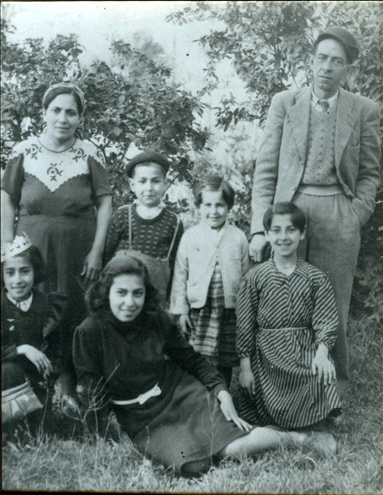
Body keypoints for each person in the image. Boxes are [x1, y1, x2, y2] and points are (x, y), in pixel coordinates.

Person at [73, 254, 311, 478]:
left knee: (232, 449)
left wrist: (221, 390)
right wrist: (99, 435)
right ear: (106, 293)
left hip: (181, 394)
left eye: (138, 293)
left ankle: (297, 439)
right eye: (121, 293)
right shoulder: (90, 331)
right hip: (142, 418)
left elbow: (192, 359)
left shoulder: (155, 318)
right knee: (194, 466)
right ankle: (269, 433)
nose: (130, 302)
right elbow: (91, 390)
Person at [249, 27, 381, 397]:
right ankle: (282, 390)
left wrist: (356, 214)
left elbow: (371, 172)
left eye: (336, 61)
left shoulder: (364, 110)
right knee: (283, 300)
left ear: (347, 70)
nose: (327, 67)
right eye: (321, 58)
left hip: (339, 213)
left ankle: (331, 393)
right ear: (310, 61)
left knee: (332, 304)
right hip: (289, 213)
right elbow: (266, 169)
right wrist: (261, 228)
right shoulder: (285, 102)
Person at [1, 82, 113, 399]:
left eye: (71, 112)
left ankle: (72, 390)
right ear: (44, 113)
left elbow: (104, 202)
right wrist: (8, 247)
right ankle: (32, 390)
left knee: (76, 312)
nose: (63, 118)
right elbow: (7, 199)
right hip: (31, 249)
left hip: (79, 249)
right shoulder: (23, 151)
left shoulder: (89, 152)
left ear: (80, 118)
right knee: (33, 312)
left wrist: (96, 251)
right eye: (56, 110)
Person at [237, 203, 341, 451]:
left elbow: (326, 319)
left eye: (291, 230)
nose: (283, 237)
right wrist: (244, 366)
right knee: (264, 393)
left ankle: (312, 427)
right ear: (267, 234)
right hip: (267, 355)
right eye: (276, 230)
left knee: (317, 373)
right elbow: (244, 323)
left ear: (302, 234)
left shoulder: (315, 277)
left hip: (304, 349)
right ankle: (279, 430)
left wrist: (322, 352)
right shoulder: (256, 276)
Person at [170, 175, 251, 386]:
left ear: (229, 206)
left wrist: (246, 311)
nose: (213, 211)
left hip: (229, 311)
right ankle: (200, 398)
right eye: (207, 204)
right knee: (199, 357)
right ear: (198, 206)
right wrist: (182, 310)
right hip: (200, 311)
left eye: (220, 205)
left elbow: (247, 276)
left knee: (225, 358)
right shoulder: (190, 236)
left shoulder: (238, 237)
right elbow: (180, 274)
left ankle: (222, 395)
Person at [1, 233, 66, 439]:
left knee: (38, 435)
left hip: (37, 384)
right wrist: (22, 349)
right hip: (5, 380)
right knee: (9, 369)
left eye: (25, 271)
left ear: (35, 271)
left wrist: (51, 374)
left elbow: (58, 349)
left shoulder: (48, 305)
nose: (18, 280)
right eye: (10, 273)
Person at [103, 151, 183, 304]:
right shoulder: (123, 215)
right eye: (142, 181)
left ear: (165, 184)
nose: (149, 187)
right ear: (132, 185)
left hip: (155, 300)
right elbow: (106, 256)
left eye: (155, 181)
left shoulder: (174, 221)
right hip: (122, 297)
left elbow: (174, 266)